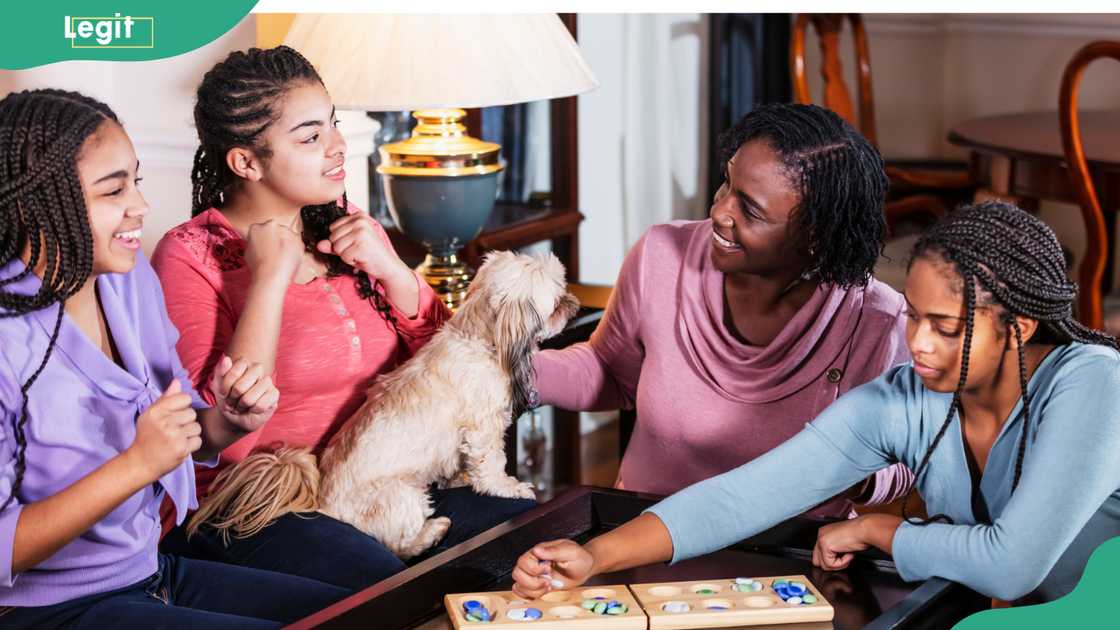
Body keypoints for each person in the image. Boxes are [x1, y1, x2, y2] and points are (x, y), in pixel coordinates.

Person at [512, 201, 1120, 605]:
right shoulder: (907, 399)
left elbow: (1013, 564)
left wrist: (886, 530)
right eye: (911, 316)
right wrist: (593, 557)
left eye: (947, 326)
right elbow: (744, 494)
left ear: (1018, 328)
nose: (917, 344)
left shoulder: (1091, 382)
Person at [153, 46, 535, 591]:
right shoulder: (190, 255)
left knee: (523, 538)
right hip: (255, 503)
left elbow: (449, 367)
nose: (337, 147)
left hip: (374, 479)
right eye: (310, 137)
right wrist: (268, 280)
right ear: (246, 162)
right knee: (382, 585)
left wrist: (394, 270)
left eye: (332, 124)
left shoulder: (345, 228)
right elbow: (216, 438)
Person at [0, 88, 346, 628]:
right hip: (40, 611)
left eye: (134, 181)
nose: (140, 205)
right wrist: (136, 464)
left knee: (362, 613)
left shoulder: (128, 279)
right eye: (114, 190)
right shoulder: (8, 339)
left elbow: (188, 439)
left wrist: (226, 421)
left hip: (148, 572)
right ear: (37, 203)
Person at [534, 103, 913, 515]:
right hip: (638, 528)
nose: (719, 211)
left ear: (816, 237)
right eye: (726, 184)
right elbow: (609, 372)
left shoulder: (878, 320)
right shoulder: (661, 255)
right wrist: (508, 370)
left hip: (787, 555)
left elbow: (903, 464)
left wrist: (854, 472)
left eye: (749, 210)